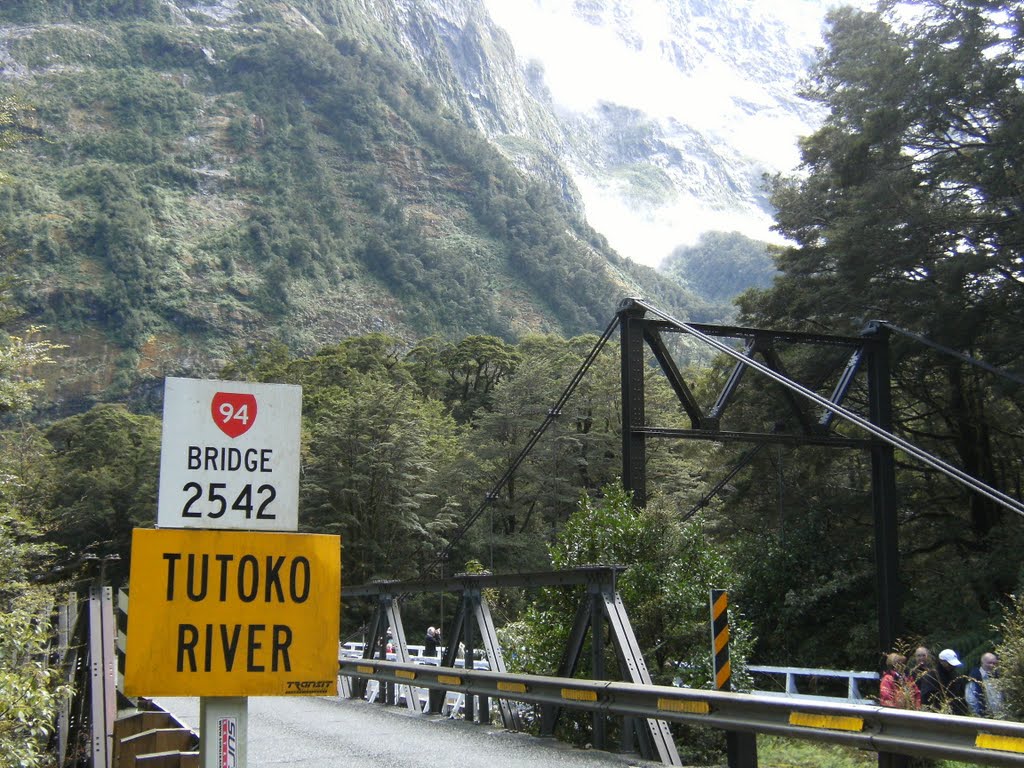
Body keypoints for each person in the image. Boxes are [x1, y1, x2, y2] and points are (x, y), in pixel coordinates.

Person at [967, 652, 1005, 718]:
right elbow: (971, 700)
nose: (992, 665)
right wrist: (978, 716)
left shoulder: (999, 678)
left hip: (999, 717)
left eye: (994, 663)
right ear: (982, 663)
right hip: (983, 718)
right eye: (989, 663)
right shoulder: (975, 677)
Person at [936, 648, 969, 715]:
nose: (952, 666)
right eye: (949, 664)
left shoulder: (957, 677)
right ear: (941, 661)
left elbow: (962, 698)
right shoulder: (933, 676)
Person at [912, 646, 941, 710]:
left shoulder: (934, 671)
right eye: (919, 656)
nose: (921, 658)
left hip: (934, 703)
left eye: (923, 655)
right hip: (918, 704)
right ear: (915, 657)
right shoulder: (912, 672)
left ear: (928, 656)